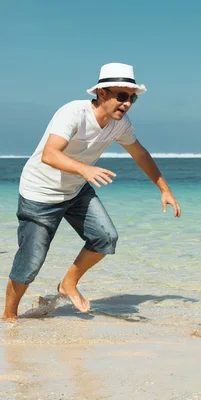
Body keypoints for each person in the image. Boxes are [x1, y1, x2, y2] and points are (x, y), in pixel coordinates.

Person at [2, 63, 181, 321]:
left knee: (106, 238)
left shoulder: (120, 124)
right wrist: (85, 170)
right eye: (122, 96)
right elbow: (50, 155)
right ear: (102, 93)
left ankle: (68, 284)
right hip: (40, 193)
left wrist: (164, 189)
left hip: (75, 191)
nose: (127, 103)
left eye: (132, 98)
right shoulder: (73, 113)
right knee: (31, 261)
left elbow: (140, 154)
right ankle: (9, 317)